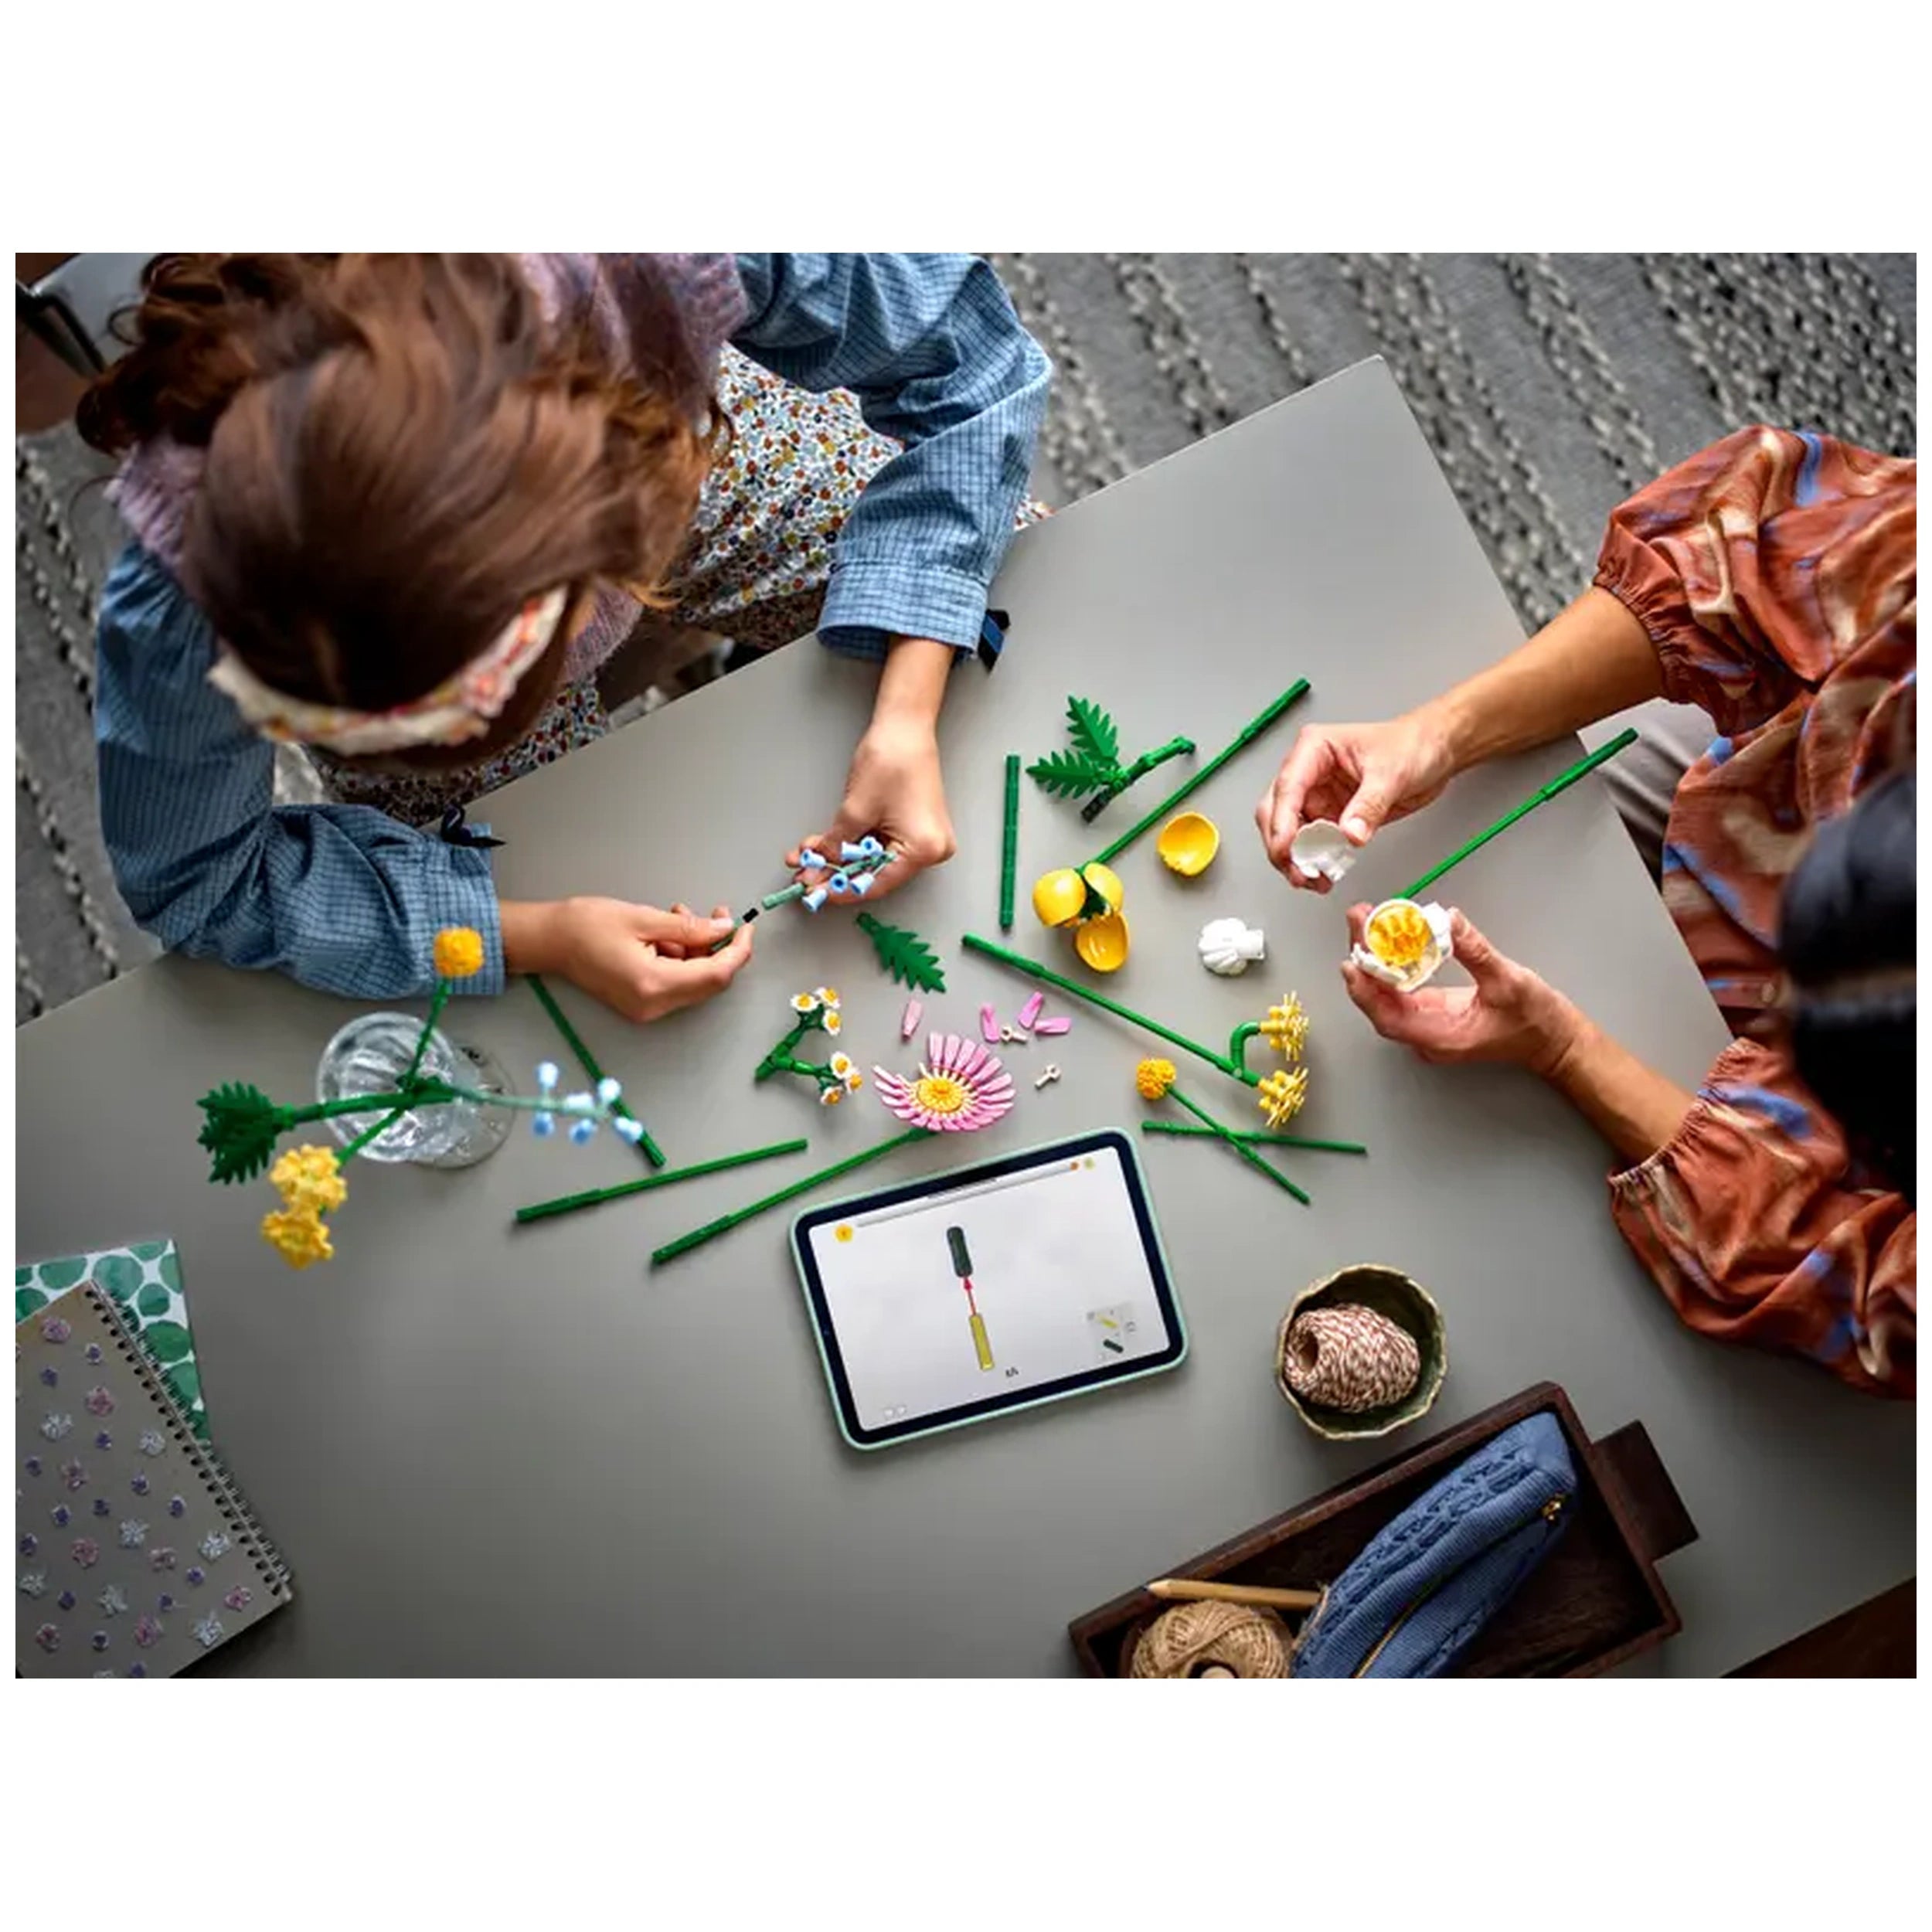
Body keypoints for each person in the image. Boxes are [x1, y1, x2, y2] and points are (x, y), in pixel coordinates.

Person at [79, 253, 1050, 1022]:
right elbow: (201, 880)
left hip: (669, 424)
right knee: (541, 878)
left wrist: (907, 709)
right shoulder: (196, 587)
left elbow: (968, 357)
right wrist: (539, 934)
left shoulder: (652, 259)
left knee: (1025, 577)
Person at [1257, 426, 1916, 1396]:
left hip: (1776, 1160)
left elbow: (1859, 1295)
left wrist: (1563, 1049)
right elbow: (1732, 565)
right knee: (1557, 800)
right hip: (1758, 778)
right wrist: (1437, 734)